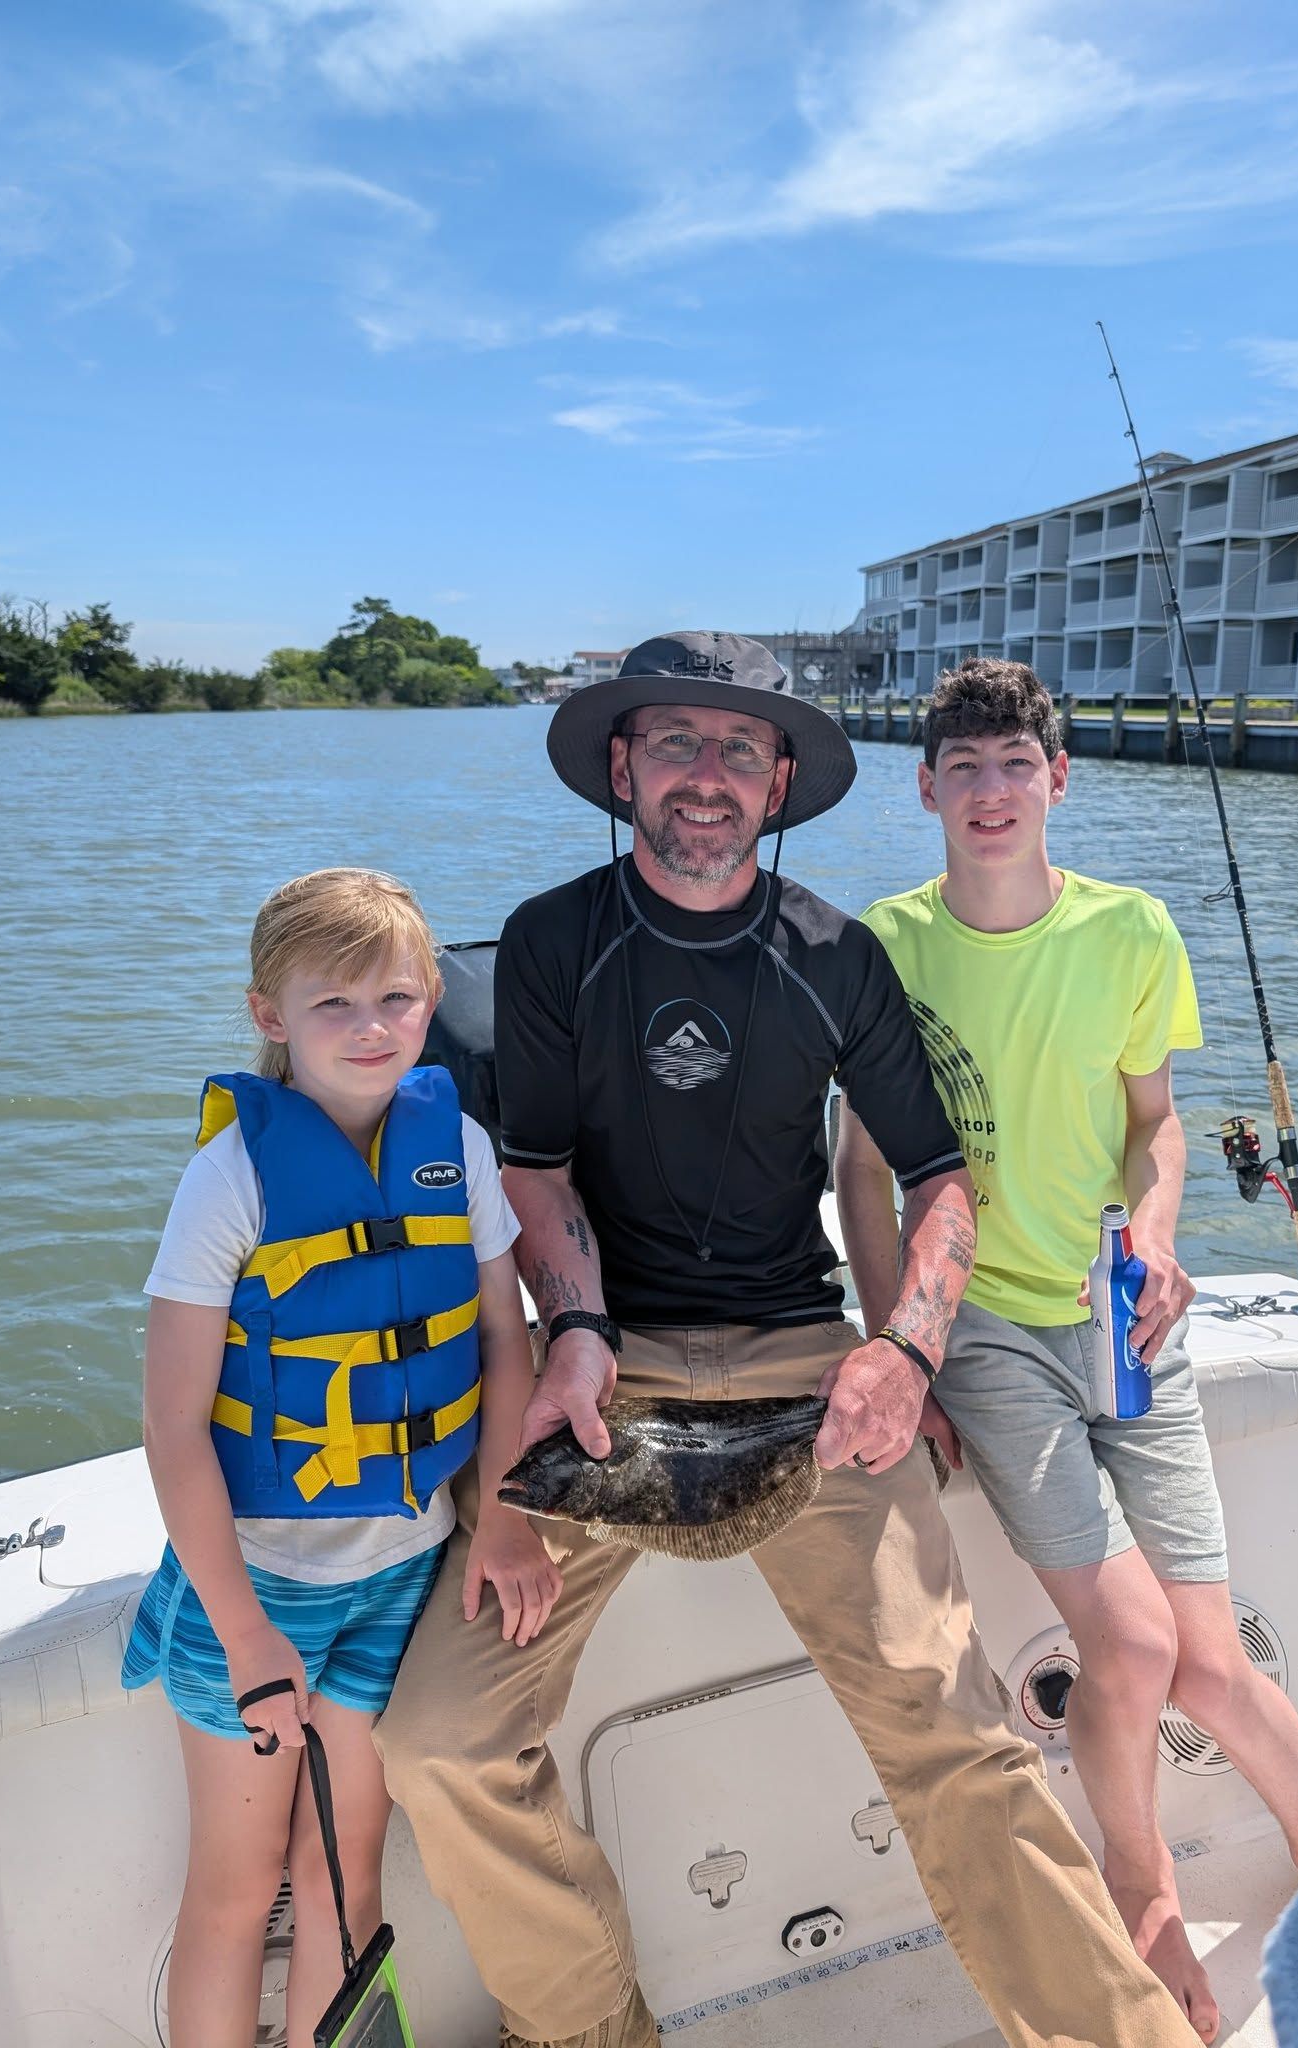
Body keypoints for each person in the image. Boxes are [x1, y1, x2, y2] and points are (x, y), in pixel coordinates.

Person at [377, 632, 1198, 2048]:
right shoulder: (551, 941)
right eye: (679, 746)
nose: (707, 777)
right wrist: (572, 1329)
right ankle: (587, 2026)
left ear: (778, 784)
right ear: (622, 766)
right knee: (438, 1745)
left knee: (956, 1741)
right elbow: (535, 1172)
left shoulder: (839, 955)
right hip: (599, 1372)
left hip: (808, 1368)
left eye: (739, 750)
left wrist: (907, 1351)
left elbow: (939, 1180)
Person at [837, 658, 1298, 2044]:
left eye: (1016, 766)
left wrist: (1164, 1231)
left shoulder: (1133, 930)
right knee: (1122, 1646)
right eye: (965, 769)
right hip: (987, 1325)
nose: (990, 792)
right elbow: (863, 1172)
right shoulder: (880, 943)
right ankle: (1143, 1894)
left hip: (1123, 1312)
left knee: (1210, 1661)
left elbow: (1155, 1122)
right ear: (924, 788)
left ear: (1056, 779)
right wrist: (910, 1352)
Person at [121, 867, 559, 2046]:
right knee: (235, 1883)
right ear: (271, 1014)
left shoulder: (453, 1142)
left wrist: (506, 1513)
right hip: (254, 1589)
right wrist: (248, 1634)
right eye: (335, 1004)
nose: (372, 1029)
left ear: (429, 1004)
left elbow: (506, 1344)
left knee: (344, 1878)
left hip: (399, 1575)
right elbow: (172, 1428)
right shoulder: (229, 1179)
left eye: (398, 1000)